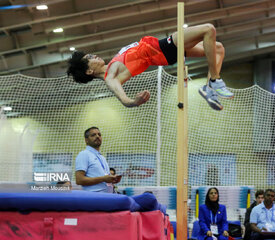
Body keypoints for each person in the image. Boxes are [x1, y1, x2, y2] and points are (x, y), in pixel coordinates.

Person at [67, 24, 234, 111]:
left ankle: (210, 88)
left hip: (162, 50)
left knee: (218, 49)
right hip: (163, 49)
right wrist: (134, 102)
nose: (93, 56)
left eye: (90, 54)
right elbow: (123, 99)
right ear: (89, 71)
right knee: (208, 29)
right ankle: (214, 81)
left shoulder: (112, 64)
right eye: (89, 58)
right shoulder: (111, 77)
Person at [75, 127, 121, 193]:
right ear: (86, 140)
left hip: (108, 196)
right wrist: (103, 179)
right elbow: (79, 180)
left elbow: (104, 179)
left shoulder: (102, 157)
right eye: (93, 135)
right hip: (94, 199)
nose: (97, 136)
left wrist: (112, 180)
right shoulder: (84, 154)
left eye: (99, 134)